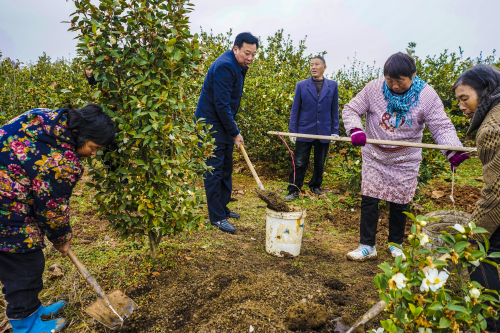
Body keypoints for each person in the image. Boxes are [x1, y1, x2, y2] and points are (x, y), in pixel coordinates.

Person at [342, 52, 468, 262]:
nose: (394, 86)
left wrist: (452, 149)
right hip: (375, 154)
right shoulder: (374, 88)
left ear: (413, 76)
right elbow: (351, 109)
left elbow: (441, 125)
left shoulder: (427, 95)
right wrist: (355, 129)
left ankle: (395, 244)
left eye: (400, 81)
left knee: (400, 201)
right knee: (369, 199)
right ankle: (367, 245)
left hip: (405, 158)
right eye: (390, 80)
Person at [0, 104, 115, 332]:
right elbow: (51, 208)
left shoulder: (48, 117)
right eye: (93, 147)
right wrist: (62, 237)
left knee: (25, 261)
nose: (93, 154)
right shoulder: (61, 162)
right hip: (5, 206)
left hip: (11, 188)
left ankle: (32, 310)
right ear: (80, 134)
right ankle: (25, 324)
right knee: (24, 263)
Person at [195, 32, 258, 234]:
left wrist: (231, 131)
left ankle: (222, 206)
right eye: (247, 53)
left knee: (226, 167)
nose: (250, 58)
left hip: (221, 121)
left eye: (254, 54)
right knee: (214, 170)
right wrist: (235, 132)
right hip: (210, 123)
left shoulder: (239, 65)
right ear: (236, 49)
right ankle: (217, 217)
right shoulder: (225, 66)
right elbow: (221, 105)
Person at [454, 64, 500, 332]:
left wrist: (474, 235)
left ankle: (489, 324)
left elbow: (495, 193)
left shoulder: (492, 129)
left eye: (464, 98)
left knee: (480, 257)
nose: (461, 106)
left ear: (486, 90)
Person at [284, 56, 339, 201]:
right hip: (304, 130)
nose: (313, 67)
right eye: (311, 64)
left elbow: (334, 110)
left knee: (319, 162)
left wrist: (335, 131)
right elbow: (295, 110)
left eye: (316, 64)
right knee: (300, 161)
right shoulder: (301, 85)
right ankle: (294, 189)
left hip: (324, 131)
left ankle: (315, 186)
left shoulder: (332, 86)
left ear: (324, 67)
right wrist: (293, 131)